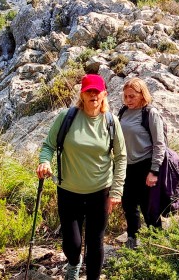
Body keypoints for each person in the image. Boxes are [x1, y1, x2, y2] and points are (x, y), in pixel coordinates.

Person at [37, 74, 126, 280]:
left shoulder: (111, 122)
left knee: (95, 241)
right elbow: (48, 145)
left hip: (100, 191)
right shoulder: (66, 117)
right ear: (82, 94)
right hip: (69, 191)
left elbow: (121, 157)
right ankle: (74, 263)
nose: (93, 94)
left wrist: (117, 190)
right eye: (89, 91)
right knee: (72, 244)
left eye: (97, 91)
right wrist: (44, 161)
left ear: (104, 94)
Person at [118, 78, 167, 250]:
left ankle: (158, 244)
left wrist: (154, 171)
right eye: (125, 96)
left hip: (146, 166)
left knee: (149, 208)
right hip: (126, 166)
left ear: (142, 95)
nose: (128, 100)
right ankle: (133, 242)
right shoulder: (123, 111)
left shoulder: (150, 113)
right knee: (129, 206)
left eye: (132, 96)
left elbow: (159, 144)